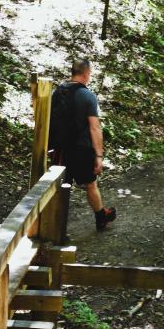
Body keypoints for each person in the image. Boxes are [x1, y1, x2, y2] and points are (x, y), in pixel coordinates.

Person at [49, 58, 117, 231]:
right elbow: (95, 127)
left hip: (60, 150)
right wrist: (99, 156)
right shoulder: (88, 96)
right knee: (91, 184)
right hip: (82, 150)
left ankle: (54, 227)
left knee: (59, 187)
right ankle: (101, 217)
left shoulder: (57, 92)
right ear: (86, 73)